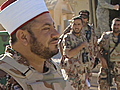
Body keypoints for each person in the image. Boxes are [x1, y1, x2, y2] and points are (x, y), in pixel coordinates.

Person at [0, 0, 73, 90]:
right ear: (23, 37)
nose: (56, 34)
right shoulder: (4, 76)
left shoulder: (53, 68)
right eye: (46, 28)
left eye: (53, 27)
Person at [61, 16, 94, 90]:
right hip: (73, 74)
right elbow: (69, 54)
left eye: (79, 24)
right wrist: (81, 46)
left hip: (83, 73)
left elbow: (87, 54)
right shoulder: (68, 37)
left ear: (82, 26)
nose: (76, 26)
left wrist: (88, 72)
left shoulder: (83, 37)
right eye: (75, 24)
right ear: (71, 25)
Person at [97, 17, 120, 90]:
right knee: (103, 85)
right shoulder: (106, 36)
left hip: (119, 66)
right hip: (107, 65)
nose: (116, 26)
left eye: (118, 25)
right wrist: (102, 59)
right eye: (114, 24)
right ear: (111, 25)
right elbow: (96, 49)